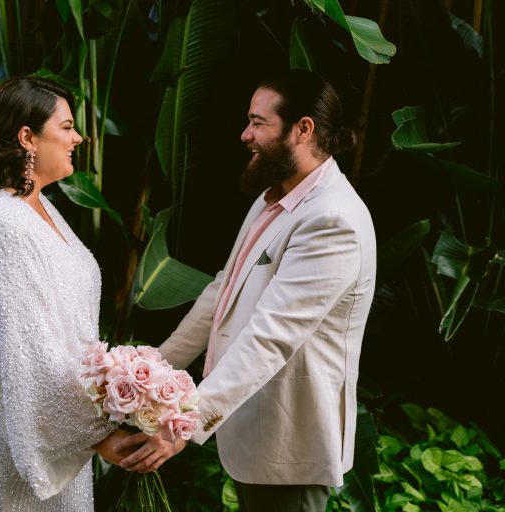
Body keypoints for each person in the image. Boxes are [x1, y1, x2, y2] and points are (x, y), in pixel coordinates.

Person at [118, 70, 376, 511]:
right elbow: (223, 291)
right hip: (253, 434)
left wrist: (184, 423)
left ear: (303, 129)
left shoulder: (333, 221)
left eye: (258, 122)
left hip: (288, 443)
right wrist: (148, 370)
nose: (245, 135)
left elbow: (270, 337)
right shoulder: (272, 196)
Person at [0, 76, 130, 512]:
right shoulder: (2, 224)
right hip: (5, 426)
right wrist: (96, 433)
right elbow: (26, 347)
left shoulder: (36, 205)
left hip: (46, 415)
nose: (78, 137)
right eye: (66, 127)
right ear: (27, 137)